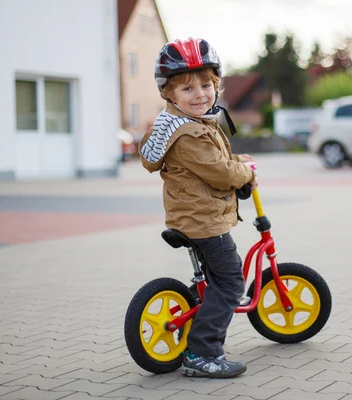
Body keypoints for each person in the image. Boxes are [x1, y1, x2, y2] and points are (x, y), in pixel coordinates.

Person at [138, 37, 257, 378]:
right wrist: (244, 172)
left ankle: (195, 318)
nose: (200, 94)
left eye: (206, 85)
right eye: (188, 88)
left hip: (192, 216)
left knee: (213, 281)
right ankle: (203, 352)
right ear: (169, 94)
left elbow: (211, 162)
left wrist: (236, 161)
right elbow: (218, 173)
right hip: (205, 222)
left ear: (216, 85)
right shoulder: (190, 133)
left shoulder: (183, 123)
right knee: (232, 283)